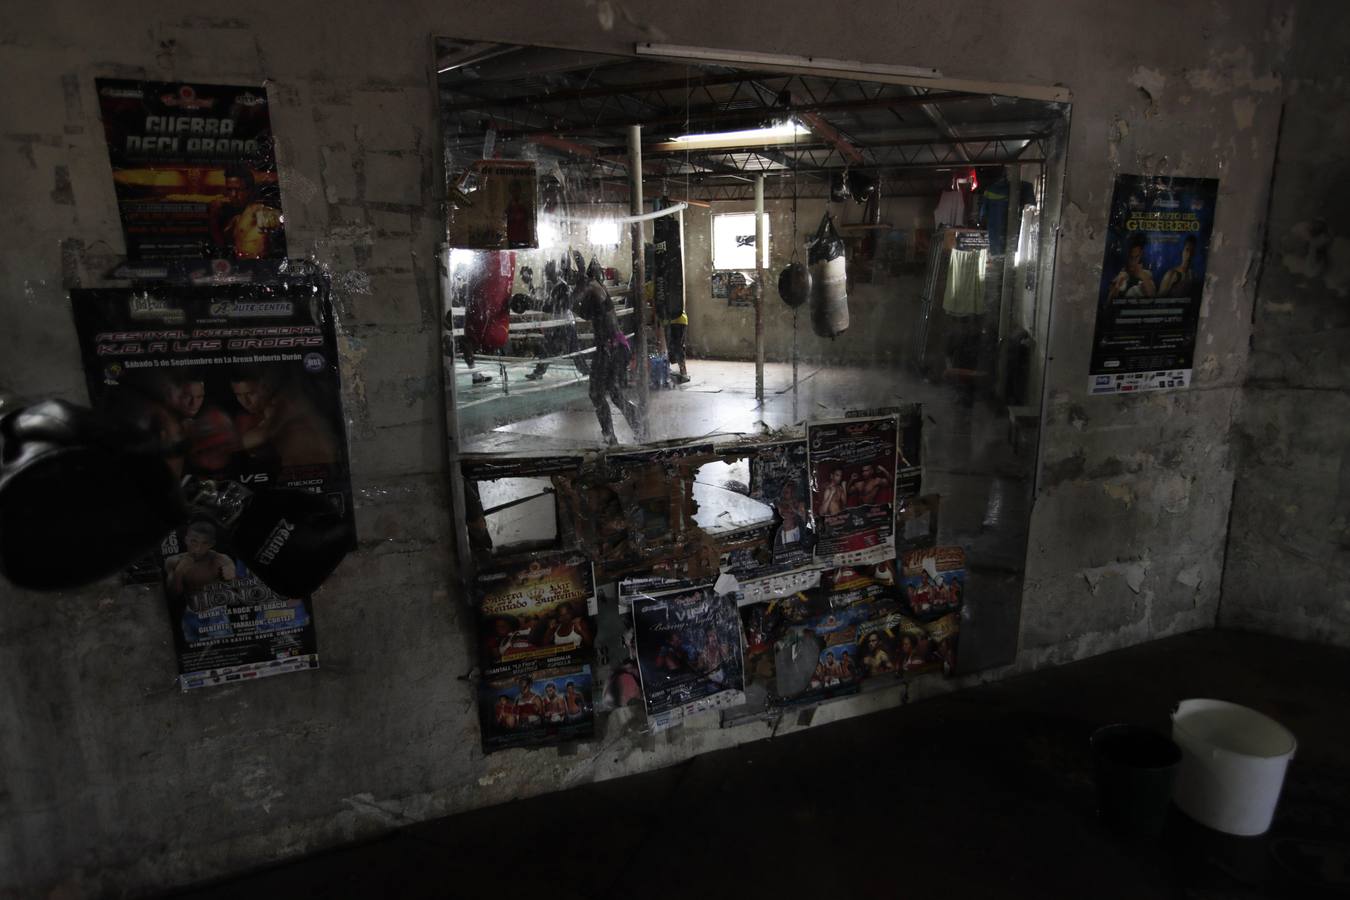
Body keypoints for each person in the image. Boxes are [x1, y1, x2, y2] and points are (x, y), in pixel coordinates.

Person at [573, 268, 640, 445]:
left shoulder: (594, 287)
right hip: (615, 346)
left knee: (596, 393)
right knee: (614, 393)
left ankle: (610, 437)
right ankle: (638, 427)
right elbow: (585, 313)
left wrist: (571, 297)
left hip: (609, 348)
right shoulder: (597, 289)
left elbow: (581, 308)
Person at [231, 371, 339, 470]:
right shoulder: (261, 414)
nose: (245, 402)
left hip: (318, 470)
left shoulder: (286, 404)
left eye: (250, 393)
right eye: (238, 395)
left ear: (265, 388)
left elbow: (261, 437)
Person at [208, 166, 283, 260]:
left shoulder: (258, 209)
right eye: (229, 189)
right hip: (242, 266)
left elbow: (270, 214)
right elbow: (222, 245)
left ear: (250, 190)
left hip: (259, 266)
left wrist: (272, 216)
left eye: (238, 189)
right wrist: (213, 216)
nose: (233, 195)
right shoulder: (237, 218)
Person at [165, 521, 236, 600]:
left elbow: (237, 592)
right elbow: (173, 594)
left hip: (217, 604)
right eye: (194, 541)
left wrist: (232, 578)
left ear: (212, 544)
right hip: (187, 605)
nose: (198, 548)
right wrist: (179, 572)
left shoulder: (221, 560)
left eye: (204, 543)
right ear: (186, 540)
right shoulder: (173, 561)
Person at [1107, 234, 1157, 300]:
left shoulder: (1147, 273)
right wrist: (1117, 285)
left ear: (1141, 254)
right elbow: (1109, 302)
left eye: (1136, 257)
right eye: (1130, 257)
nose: (1133, 262)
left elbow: (1153, 297)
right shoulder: (1118, 273)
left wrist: (1144, 277)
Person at [664, 310, 690, 384]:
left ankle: (681, 372)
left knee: (674, 347)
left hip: (671, 320)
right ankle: (682, 372)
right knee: (678, 347)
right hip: (679, 320)